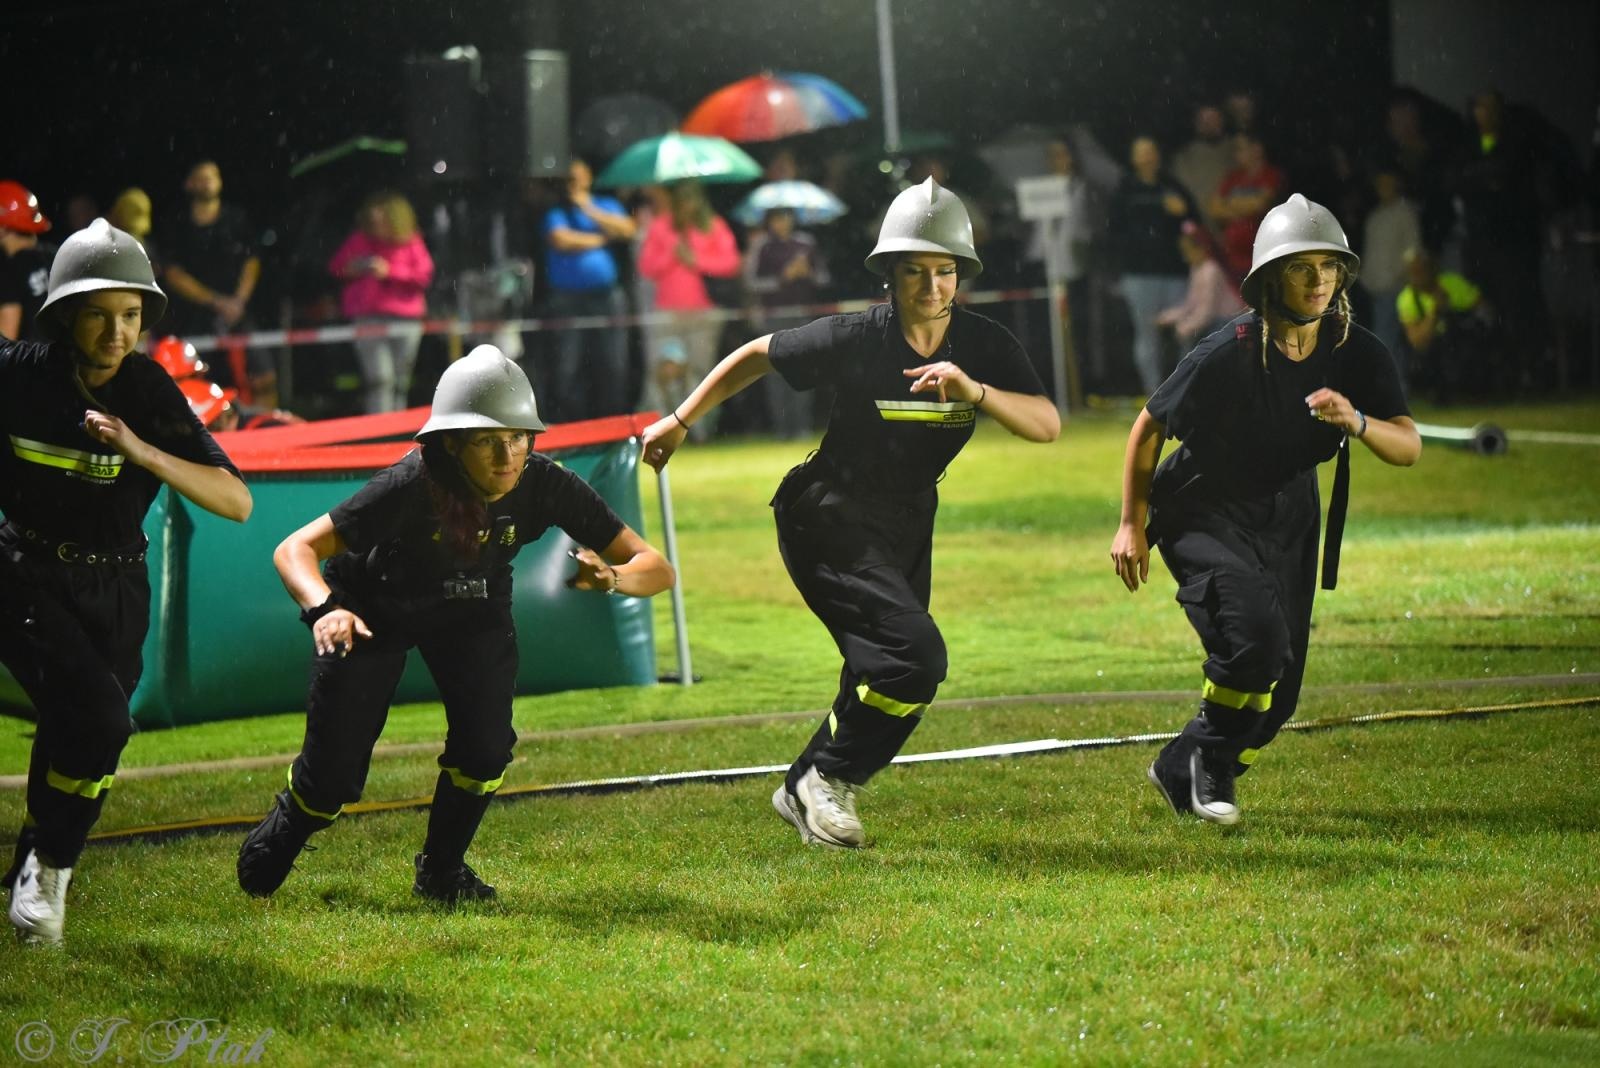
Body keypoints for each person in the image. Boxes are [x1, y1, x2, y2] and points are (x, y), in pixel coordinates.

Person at [640, 178, 1059, 849]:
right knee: (915, 659)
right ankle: (829, 778)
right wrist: (681, 418)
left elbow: (1045, 424)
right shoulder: (857, 336)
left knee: (883, 669)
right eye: (915, 271)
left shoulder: (984, 345)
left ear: (962, 276)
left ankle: (807, 782)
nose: (931, 286)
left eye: (945, 271)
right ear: (889, 275)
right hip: (828, 514)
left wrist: (973, 389)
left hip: (907, 519)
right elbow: (756, 355)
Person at [236, 345, 674, 903]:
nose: (507, 456)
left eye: (518, 437)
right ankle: (291, 824)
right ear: (448, 442)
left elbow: (657, 570)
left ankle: (442, 871)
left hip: (474, 603)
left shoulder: (547, 483)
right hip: (372, 609)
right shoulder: (410, 485)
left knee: (487, 748)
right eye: (487, 441)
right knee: (332, 782)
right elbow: (293, 549)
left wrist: (611, 578)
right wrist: (327, 610)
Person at [1110, 194, 1419, 826]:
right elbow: (1148, 428)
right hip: (1205, 505)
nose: (1316, 281)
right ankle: (1209, 770)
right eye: (1301, 267)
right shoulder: (1227, 351)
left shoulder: (1356, 351)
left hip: (1289, 512)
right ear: (1270, 276)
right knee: (1255, 639)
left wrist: (1358, 421)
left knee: (1279, 697)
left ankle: (1188, 766)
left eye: (1328, 267)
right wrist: (1130, 523)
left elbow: (1407, 445)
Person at [1, 220, 253, 945]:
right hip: (23, 573)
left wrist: (142, 449)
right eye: (97, 313)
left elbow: (238, 502)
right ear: (61, 316)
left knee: (85, 737)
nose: (117, 332)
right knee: (101, 721)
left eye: (132, 315)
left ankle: (29, 866)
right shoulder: (19, 372)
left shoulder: (148, 390)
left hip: (118, 586)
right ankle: (48, 880)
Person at [160, 161, 275, 408]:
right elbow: (173, 273)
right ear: (189, 184)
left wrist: (238, 302)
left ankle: (268, 431)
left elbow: (251, 261)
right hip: (194, 316)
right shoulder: (178, 223)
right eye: (201, 177)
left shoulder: (236, 218)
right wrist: (215, 302)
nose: (209, 181)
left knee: (264, 376)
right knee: (193, 380)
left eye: (214, 176)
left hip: (239, 312)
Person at [637, 179, 740, 442]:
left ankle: (701, 433)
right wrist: (673, 255)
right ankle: (659, 429)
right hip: (667, 314)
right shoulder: (661, 227)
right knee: (661, 373)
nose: (685, 208)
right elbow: (646, 267)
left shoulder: (713, 226)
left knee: (700, 375)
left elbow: (730, 263)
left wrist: (697, 261)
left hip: (703, 314)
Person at [542, 158, 638, 422]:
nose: (574, 182)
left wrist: (589, 209)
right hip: (568, 299)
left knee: (613, 363)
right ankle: (573, 424)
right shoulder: (557, 210)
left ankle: (614, 423)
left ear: (588, 177)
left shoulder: (605, 205)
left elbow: (628, 229)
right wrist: (600, 238)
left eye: (578, 176)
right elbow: (561, 239)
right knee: (568, 366)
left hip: (607, 297)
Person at [328, 190, 435, 413]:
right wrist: (352, 269)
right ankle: (379, 427)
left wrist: (390, 271)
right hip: (368, 318)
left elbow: (424, 276)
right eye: (372, 222)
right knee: (379, 378)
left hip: (406, 319)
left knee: (400, 381)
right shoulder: (359, 240)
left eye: (381, 222)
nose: (376, 227)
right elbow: (336, 268)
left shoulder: (411, 241)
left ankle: (396, 429)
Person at [1106, 137, 1195, 394]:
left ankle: (1183, 391)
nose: (1147, 158)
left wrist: (1183, 212)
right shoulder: (1125, 190)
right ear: (1133, 158)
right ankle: (1153, 395)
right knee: (1147, 336)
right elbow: (1114, 230)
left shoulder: (1172, 185)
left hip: (1175, 272)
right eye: (1141, 153)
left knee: (1184, 333)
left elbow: (1192, 223)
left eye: (1151, 152)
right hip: (1139, 275)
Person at [742, 206, 830, 438]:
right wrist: (783, 278)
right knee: (775, 373)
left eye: (787, 217)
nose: (782, 222)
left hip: (803, 315)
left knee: (804, 370)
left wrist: (807, 272)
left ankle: (802, 427)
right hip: (774, 315)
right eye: (777, 218)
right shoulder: (762, 246)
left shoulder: (806, 243)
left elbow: (823, 279)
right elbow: (751, 283)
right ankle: (782, 428)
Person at [1155, 221, 1245, 352]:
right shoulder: (1196, 269)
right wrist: (1167, 317)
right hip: (1211, 319)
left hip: (1226, 319)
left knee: (1199, 349)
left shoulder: (1211, 270)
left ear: (1201, 248)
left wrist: (1186, 327)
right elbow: (1191, 303)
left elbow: (1208, 310)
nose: (1185, 256)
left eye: (1187, 251)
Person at [0, 180, 56, 341]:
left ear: (3, 228)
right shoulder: (58, 256)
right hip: (70, 361)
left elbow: (5, 341)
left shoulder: (9, 272)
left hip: (34, 364)